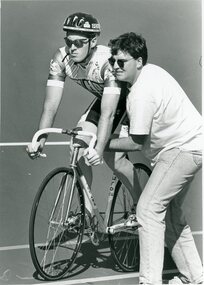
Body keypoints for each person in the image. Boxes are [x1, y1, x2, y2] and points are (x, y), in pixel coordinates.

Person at [85, 32, 203, 284]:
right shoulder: (149, 73)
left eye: (122, 62)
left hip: (181, 149)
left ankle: (149, 281)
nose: (115, 67)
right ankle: (194, 277)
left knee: (148, 210)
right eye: (113, 61)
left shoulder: (141, 93)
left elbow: (136, 142)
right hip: (189, 146)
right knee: (171, 213)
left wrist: (101, 143)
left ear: (138, 61)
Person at [26, 13, 140, 218]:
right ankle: (88, 216)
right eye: (68, 41)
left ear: (93, 41)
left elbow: (109, 113)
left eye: (79, 42)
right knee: (77, 148)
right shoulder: (61, 58)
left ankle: (142, 207)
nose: (72, 48)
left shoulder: (106, 63)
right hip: (106, 100)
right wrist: (41, 138)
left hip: (132, 102)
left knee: (112, 158)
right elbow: (50, 105)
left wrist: (98, 147)